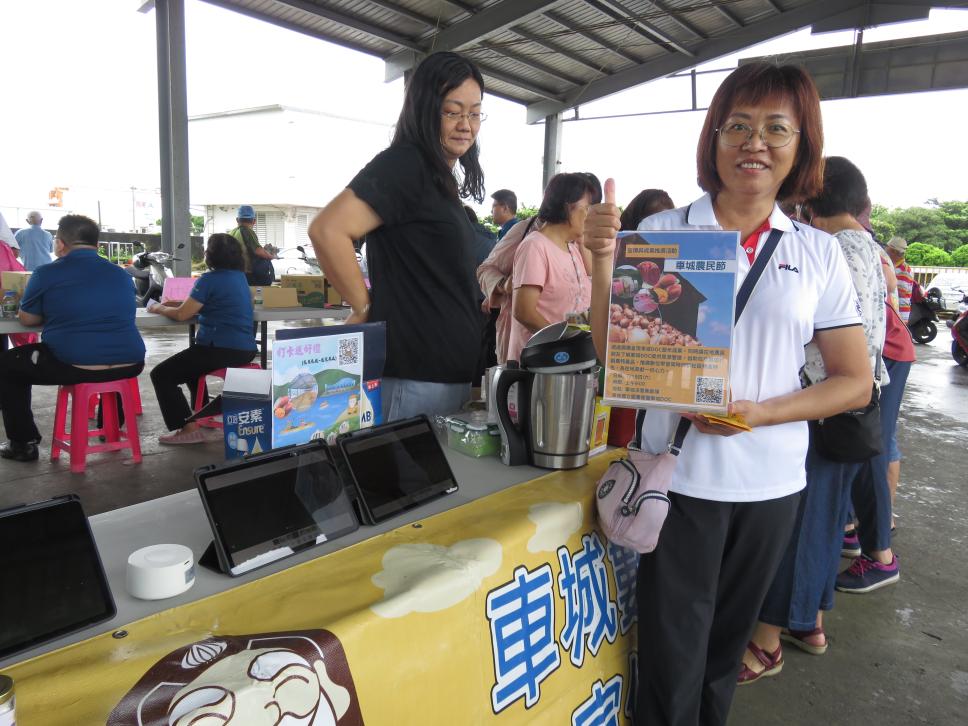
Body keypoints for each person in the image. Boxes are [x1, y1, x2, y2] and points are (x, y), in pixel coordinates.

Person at [583, 63, 872, 725]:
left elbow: (853, 381)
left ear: (801, 144)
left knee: (722, 662)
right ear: (713, 138)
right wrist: (603, 262)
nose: (754, 143)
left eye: (776, 128)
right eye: (737, 125)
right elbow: (617, 358)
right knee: (670, 662)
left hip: (772, 487)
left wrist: (764, 412)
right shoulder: (664, 231)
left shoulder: (816, 252)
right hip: (680, 484)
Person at [744, 156, 888, 676]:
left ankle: (767, 642)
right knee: (825, 520)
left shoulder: (823, 248)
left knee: (801, 525)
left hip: (820, 404)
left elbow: (815, 334)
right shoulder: (868, 247)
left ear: (810, 197)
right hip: (854, 408)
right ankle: (811, 621)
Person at [309, 52, 487, 422]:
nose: (465, 125)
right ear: (424, 109)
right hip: (414, 378)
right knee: (402, 463)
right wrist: (365, 308)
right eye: (452, 112)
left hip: (443, 376)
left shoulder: (438, 179)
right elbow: (328, 230)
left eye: (474, 113)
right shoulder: (406, 164)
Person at [0, 215, 145, 462]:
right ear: (96, 245)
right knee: (107, 354)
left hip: (74, 365)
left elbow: (27, 319)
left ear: (59, 244)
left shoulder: (46, 273)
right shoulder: (121, 275)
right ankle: (111, 427)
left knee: (7, 365)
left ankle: (23, 444)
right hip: (131, 363)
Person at [837, 247, 914, 593]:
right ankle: (849, 528)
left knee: (873, 447)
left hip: (883, 355)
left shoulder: (845, 243)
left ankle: (881, 553)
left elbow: (887, 286)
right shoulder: (855, 243)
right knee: (864, 445)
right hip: (873, 355)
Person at [477, 174, 601, 365]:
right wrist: (563, 343)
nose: (589, 216)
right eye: (586, 209)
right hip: (541, 362)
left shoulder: (572, 248)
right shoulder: (534, 245)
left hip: (565, 361)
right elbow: (524, 312)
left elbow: (577, 305)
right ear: (568, 207)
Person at [147, 233, 257, 445]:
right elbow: (205, 303)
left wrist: (159, 307)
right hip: (245, 349)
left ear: (210, 255)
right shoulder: (240, 278)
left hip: (220, 349)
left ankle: (188, 428)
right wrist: (176, 304)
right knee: (192, 366)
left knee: (161, 375)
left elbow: (182, 314)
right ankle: (203, 414)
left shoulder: (209, 279)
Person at [230, 205, 275, 286]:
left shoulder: (231, 233)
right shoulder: (246, 231)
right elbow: (258, 251)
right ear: (254, 221)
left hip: (235, 273)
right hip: (248, 275)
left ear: (237, 220)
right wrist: (271, 256)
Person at [886, 236, 914, 323]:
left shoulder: (903, 270)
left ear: (894, 251)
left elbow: (900, 292)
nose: (885, 251)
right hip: (895, 313)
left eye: (887, 249)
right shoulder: (893, 266)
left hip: (899, 315)